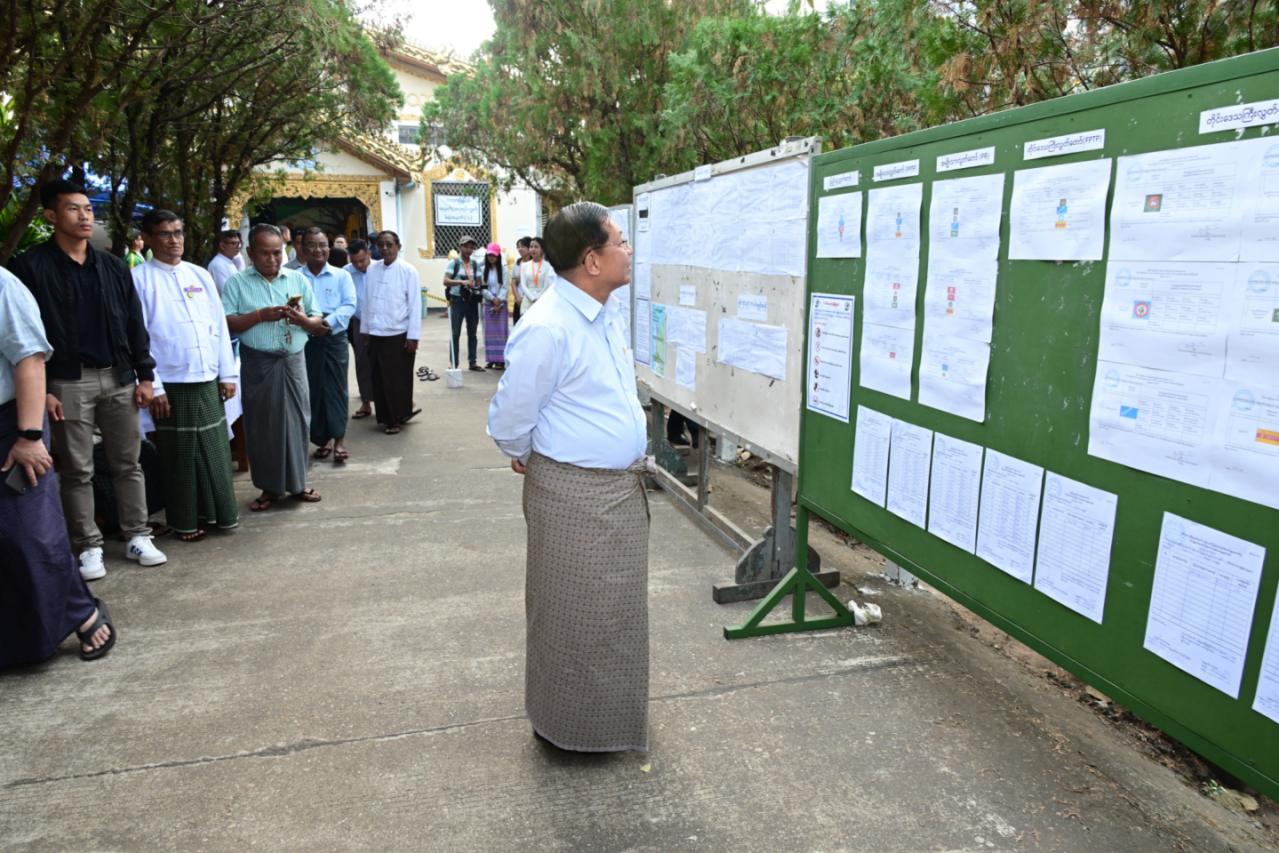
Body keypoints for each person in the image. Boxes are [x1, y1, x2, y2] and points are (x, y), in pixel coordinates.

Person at [486, 202, 648, 753]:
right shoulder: (548, 326)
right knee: (571, 616)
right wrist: (523, 452)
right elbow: (510, 417)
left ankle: (611, 722)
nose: (629, 250)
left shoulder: (604, 312)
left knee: (615, 616)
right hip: (574, 497)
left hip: (618, 494)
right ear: (592, 260)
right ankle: (567, 728)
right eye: (620, 242)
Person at [8, 179, 167, 579]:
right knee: (78, 469)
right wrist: (45, 390)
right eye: (73, 209)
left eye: (88, 209)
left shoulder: (112, 266)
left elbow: (134, 323)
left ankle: (138, 534)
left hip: (118, 376)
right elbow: (26, 338)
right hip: (67, 381)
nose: (84, 216)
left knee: (128, 462)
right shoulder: (31, 267)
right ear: (51, 216)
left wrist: (145, 375)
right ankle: (89, 545)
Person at [0, 266, 117, 667]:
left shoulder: (4, 285)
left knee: (29, 533)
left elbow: (31, 359)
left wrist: (30, 436)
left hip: (13, 426)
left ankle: (82, 612)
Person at [132, 209, 239, 542]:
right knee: (180, 455)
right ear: (147, 238)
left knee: (214, 450)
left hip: (207, 377)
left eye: (177, 232)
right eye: (164, 234)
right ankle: (185, 520)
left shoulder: (199, 274)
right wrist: (153, 385)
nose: (173, 240)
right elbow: (137, 337)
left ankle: (220, 514)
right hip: (170, 383)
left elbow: (218, 325)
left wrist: (227, 373)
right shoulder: (139, 279)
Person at [220, 223, 324, 511]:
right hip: (259, 363)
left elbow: (317, 319)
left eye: (277, 252)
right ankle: (269, 487)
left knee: (298, 420)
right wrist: (259, 316)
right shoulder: (237, 283)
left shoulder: (297, 279)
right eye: (265, 253)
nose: (272, 259)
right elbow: (226, 322)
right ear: (251, 252)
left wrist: (303, 320)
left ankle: (298, 483)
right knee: (263, 424)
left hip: (293, 359)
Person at [297, 227, 356, 462]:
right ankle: (322, 439)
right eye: (312, 245)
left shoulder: (342, 276)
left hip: (334, 337)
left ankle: (339, 439)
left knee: (337, 388)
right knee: (312, 387)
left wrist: (326, 323)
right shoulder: (295, 277)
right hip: (306, 338)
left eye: (323, 245)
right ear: (303, 248)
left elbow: (349, 305)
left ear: (329, 248)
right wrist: (310, 325)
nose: (318, 250)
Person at [361, 230, 421, 435]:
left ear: (398, 246)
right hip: (376, 332)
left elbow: (415, 305)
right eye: (381, 245)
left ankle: (397, 417)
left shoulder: (408, 270)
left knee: (397, 379)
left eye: (389, 244)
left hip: (398, 333)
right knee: (379, 377)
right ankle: (385, 417)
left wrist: (413, 336)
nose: (385, 249)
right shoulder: (372, 269)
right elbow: (367, 300)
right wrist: (365, 329)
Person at [344, 239, 375, 419]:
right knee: (362, 363)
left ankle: (393, 401)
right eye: (355, 261)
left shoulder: (380, 268)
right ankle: (366, 402)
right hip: (358, 323)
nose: (359, 265)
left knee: (385, 363)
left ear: (369, 254)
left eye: (362, 260)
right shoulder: (346, 273)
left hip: (381, 323)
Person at [444, 235, 484, 372]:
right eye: (466, 247)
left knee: (472, 333)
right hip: (457, 300)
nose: (469, 250)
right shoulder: (454, 263)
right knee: (455, 333)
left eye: (471, 247)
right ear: (460, 247)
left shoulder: (475, 264)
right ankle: (454, 363)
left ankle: (473, 362)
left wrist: (475, 284)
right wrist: (461, 282)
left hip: (472, 301)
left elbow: (479, 282)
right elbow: (445, 281)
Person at [480, 242, 509, 369]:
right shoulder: (483, 270)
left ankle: (501, 360)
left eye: (494, 255)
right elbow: (482, 288)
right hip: (488, 303)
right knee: (489, 333)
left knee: (501, 333)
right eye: (489, 255)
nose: (491, 257)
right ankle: (491, 359)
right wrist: (492, 298)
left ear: (498, 256)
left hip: (501, 304)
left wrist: (499, 299)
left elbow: (505, 287)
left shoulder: (504, 270)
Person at [516, 236, 555, 316]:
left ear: (542, 250)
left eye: (536, 247)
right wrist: (532, 298)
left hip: (542, 299)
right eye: (531, 247)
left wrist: (538, 298)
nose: (533, 249)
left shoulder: (548, 266)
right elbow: (523, 284)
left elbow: (546, 285)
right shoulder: (524, 265)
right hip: (528, 300)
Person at [207, 229, 245, 295]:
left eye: (239, 243)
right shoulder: (218, 265)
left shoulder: (229, 261)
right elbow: (225, 293)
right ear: (222, 246)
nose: (238, 247)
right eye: (233, 243)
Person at [511, 236, 532, 324]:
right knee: (517, 324)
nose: (520, 249)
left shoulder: (535, 263)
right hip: (519, 300)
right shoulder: (517, 263)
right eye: (518, 247)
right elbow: (513, 283)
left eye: (522, 246)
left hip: (531, 300)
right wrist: (517, 297)